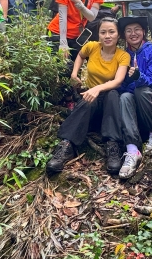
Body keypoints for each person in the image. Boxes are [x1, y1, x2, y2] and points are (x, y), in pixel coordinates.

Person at [46, 17, 130, 176]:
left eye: (111, 32)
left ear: (118, 35)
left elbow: (118, 81)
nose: (107, 36)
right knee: (88, 98)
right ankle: (66, 146)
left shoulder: (123, 55)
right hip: (91, 103)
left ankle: (113, 146)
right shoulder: (92, 47)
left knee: (112, 94)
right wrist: (74, 73)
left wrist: (97, 88)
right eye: (103, 32)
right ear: (98, 34)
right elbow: (80, 55)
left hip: (110, 107)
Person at [117, 16, 152, 179]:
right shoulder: (123, 55)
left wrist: (138, 76)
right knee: (124, 97)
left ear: (144, 32)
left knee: (141, 91)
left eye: (137, 29)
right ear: (124, 35)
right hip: (133, 100)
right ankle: (132, 149)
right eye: (128, 31)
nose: (133, 33)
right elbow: (122, 86)